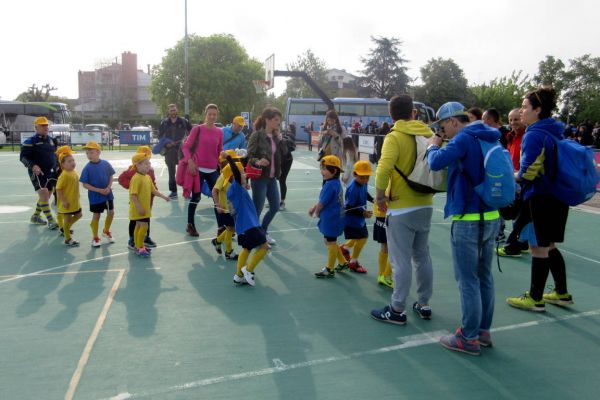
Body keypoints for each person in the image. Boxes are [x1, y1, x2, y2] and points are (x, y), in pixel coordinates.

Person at [427, 101, 501, 356]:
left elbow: (436, 163)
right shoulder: (489, 135)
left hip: (469, 217)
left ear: (453, 122)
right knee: (485, 276)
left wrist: (432, 146)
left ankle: (468, 338)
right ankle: (482, 331)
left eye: (442, 127)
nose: (442, 133)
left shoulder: (463, 138)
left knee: (467, 279)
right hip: (492, 214)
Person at [506, 87, 574, 312]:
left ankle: (535, 298)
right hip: (558, 196)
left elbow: (526, 173)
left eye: (525, 107)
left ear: (538, 110)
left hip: (541, 197)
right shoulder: (555, 131)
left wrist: (509, 176)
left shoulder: (534, 134)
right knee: (550, 245)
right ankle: (561, 293)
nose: (522, 111)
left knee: (538, 247)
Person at [370, 95, 435, 327]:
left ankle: (397, 308)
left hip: (400, 206)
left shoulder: (394, 136)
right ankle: (424, 303)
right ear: (413, 113)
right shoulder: (427, 134)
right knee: (422, 256)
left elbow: (383, 169)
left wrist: (379, 197)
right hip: (426, 202)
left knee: (400, 260)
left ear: (391, 115)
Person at [224, 153, 269, 286]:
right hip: (250, 225)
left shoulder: (235, 189)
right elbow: (237, 175)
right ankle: (248, 270)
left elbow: (241, 177)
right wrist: (229, 158)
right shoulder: (236, 187)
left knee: (246, 249)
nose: (245, 174)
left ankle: (239, 276)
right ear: (234, 176)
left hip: (244, 226)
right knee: (264, 246)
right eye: (242, 172)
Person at [247, 107, 288, 245]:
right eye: (276, 120)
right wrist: (258, 162)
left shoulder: (276, 137)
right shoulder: (257, 136)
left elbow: (285, 153)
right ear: (267, 120)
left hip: (272, 178)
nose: (278, 122)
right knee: (257, 210)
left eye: (279, 120)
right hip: (260, 178)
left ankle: (263, 231)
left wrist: (281, 140)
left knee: (275, 206)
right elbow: (249, 157)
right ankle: (255, 236)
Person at [181, 104, 224, 237]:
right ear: (205, 114)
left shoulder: (219, 132)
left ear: (217, 115)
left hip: (213, 170)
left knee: (218, 198)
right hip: (198, 169)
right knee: (196, 197)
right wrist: (190, 161)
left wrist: (224, 164)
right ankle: (190, 225)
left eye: (214, 114)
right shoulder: (197, 129)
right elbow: (186, 147)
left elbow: (219, 151)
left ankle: (221, 227)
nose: (212, 116)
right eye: (209, 114)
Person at [497, 108, 530, 257]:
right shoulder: (510, 137)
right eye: (510, 120)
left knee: (519, 214)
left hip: (522, 181)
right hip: (512, 179)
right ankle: (522, 243)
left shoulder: (527, 137)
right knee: (517, 213)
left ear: (523, 119)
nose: (512, 123)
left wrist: (518, 174)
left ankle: (513, 245)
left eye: (516, 119)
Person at [20, 116, 59, 230]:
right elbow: (22, 157)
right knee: (43, 193)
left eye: (46, 125)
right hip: (38, 173)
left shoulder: (52, 140)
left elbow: (54, 155)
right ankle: (51, 220)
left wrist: (57, 165)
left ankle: (35, 216)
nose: (45, 127)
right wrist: (33, 166)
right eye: (42, 125)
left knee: (47, 195)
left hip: (50, 172)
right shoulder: (30, 142)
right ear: (36, 127)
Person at [310, 155, 346, 278]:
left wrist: (315, 211)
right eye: (321, 168)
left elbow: (322, 203)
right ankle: (342, 262)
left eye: (325, 169)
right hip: (335, 217)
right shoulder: (335, 183)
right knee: (330, 241)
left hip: (332, 218)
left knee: (330, 241)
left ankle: (330, 269)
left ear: (334, 171)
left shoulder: (330, 185)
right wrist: (315, 208)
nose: (322, 172)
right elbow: (324, 200)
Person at [129, 151, 170, 257]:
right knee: (143, 226)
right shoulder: (136, 178)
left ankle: (139, 245)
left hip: (145, 208)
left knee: (139, 226)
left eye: (149, 163)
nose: (149, 165)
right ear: (138, 165)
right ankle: (139, 247)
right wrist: (138, 207)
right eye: (146, 163)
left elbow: (153, 191)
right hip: (139, 208)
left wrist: (164, 197)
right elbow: (133, 195)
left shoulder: (147, 177)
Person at [338, 160, 373, 273]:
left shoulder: (363, 183)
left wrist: (372, 199)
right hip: (352, 220)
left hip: (359, 219)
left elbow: (365, 192)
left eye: (367, 177)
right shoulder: (352, 189)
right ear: (354, 174)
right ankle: (353, 262)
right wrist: (363, 213)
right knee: (363, 238)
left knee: (357, 238)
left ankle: (344, 248)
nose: (365, 180)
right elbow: (349, 208)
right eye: (362, 177)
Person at [79, 141, 116, 247]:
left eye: (91, 152)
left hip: (108, 194)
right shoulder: (87, 168)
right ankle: (95, 237)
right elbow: (85, 184)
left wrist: (108, 187)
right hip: (95, 196)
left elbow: (110, 176)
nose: (89, 155)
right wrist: (99, 190)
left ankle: (106, 231)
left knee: (111, 212)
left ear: (98, 152)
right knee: (96, 216)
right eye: (87, 153)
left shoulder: (106, 164)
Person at [482, 108, 511, 241]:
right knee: (495, 204)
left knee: (496, 203)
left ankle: (499, 232)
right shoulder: (501, 133)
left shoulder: (499, 135)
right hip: (498, 174)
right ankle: (498, 231)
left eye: (483, 119)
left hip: (498, 176)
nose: (482, 122)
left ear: (489, 120)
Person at [211, 151, 241, 260]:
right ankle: (229, 252)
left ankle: (217, 241)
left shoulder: (234, 176)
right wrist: (217, 204)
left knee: (231, 229)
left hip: (233, 209)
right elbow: (214, 190)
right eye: (234, 160)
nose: (237, 162)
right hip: (225, 210)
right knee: (231, 229)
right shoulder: (223, 176)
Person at [158, 104, 192, 199]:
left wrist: (187, 141)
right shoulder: (164, 123)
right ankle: (173, 192)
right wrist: (165, 144)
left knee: (185, 171)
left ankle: (187, 191)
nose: (173, 112)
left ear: (177, 110)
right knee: (171, 171)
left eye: (174, 110)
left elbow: (192, 132)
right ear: (168, 111)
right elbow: (160, 136)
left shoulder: (184, 121)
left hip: (182, 149)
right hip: (169, 150)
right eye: (171, 110)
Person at [55, 148, 82, 246]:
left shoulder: (74, 172)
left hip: (74, 201)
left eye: (73, 160)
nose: (72, 162)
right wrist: (64, 201)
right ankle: (67, 239)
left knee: (79, 215)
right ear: (62, 164)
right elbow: (58, 189)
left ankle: (65, 228)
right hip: (67, 203)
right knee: (67, 219)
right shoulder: (64, 175)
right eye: (69, 161)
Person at [278, 123, 296, 211]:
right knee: (272, 179)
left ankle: (282, 201)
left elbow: (291, 146)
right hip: (278, 160)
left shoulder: (288, 136)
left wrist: (282, 139)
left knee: (282, 179)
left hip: (286, 160)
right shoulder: (270, 134)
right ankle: (273, 201)